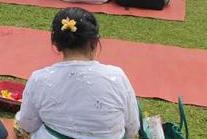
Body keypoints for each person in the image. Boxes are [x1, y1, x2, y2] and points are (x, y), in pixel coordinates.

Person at [15, 8, 139, 139]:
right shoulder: (117, 76)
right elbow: (132, 127)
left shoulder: (39, 79)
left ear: (56, 44)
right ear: (94, 43)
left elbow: (27, 124)